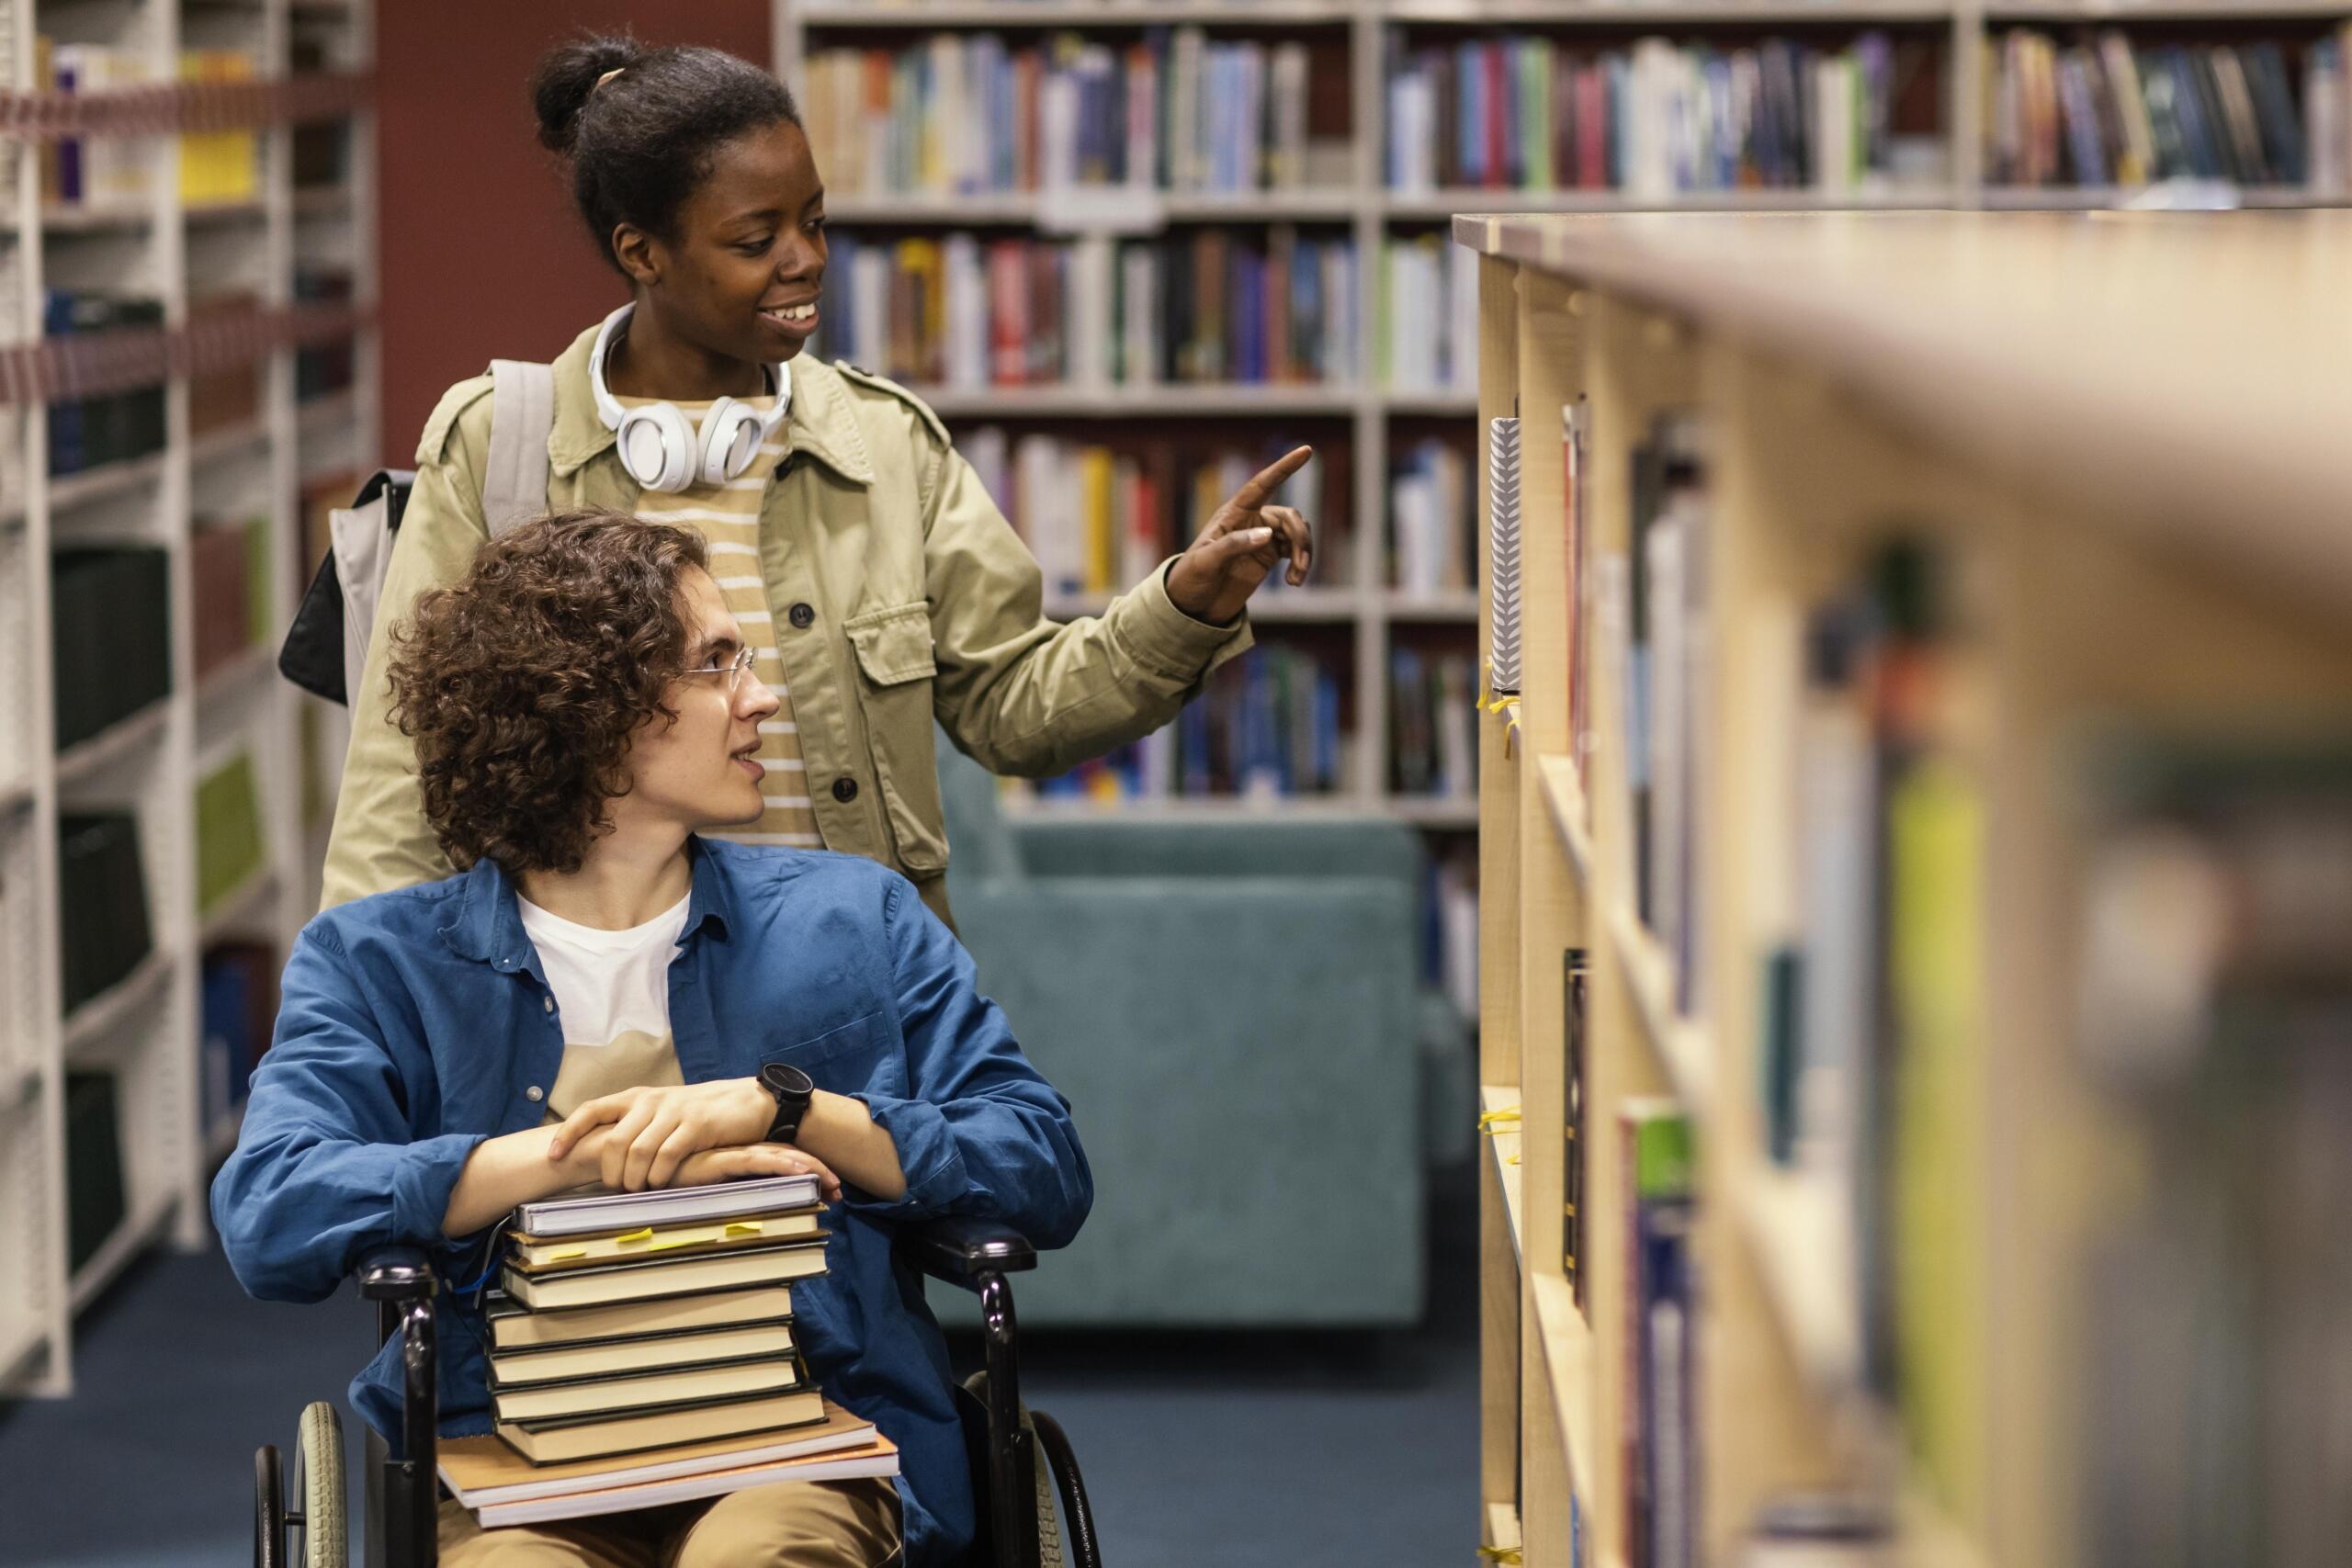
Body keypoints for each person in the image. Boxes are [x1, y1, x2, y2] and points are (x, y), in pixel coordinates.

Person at [215, 512, 1091, 1567]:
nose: (761, 696)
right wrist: (568, 1157)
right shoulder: (378, 960)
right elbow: (271, 1210)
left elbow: (1042, 1165)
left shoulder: (856, 917)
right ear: (592, 710)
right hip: (512, 1463)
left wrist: (794, 1113)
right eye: (717, 663)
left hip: (807, 1442)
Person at [324, 34, 1317, 919]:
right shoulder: (500, 447)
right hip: (586, 1016)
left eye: (814, 222)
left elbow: (1015, 709)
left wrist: (1184, 604)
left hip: (851, 1000)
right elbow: (404, 777)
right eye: (756, 241)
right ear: (643, 252)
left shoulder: (885, 447)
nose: (805, 261)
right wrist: (362, 1031)